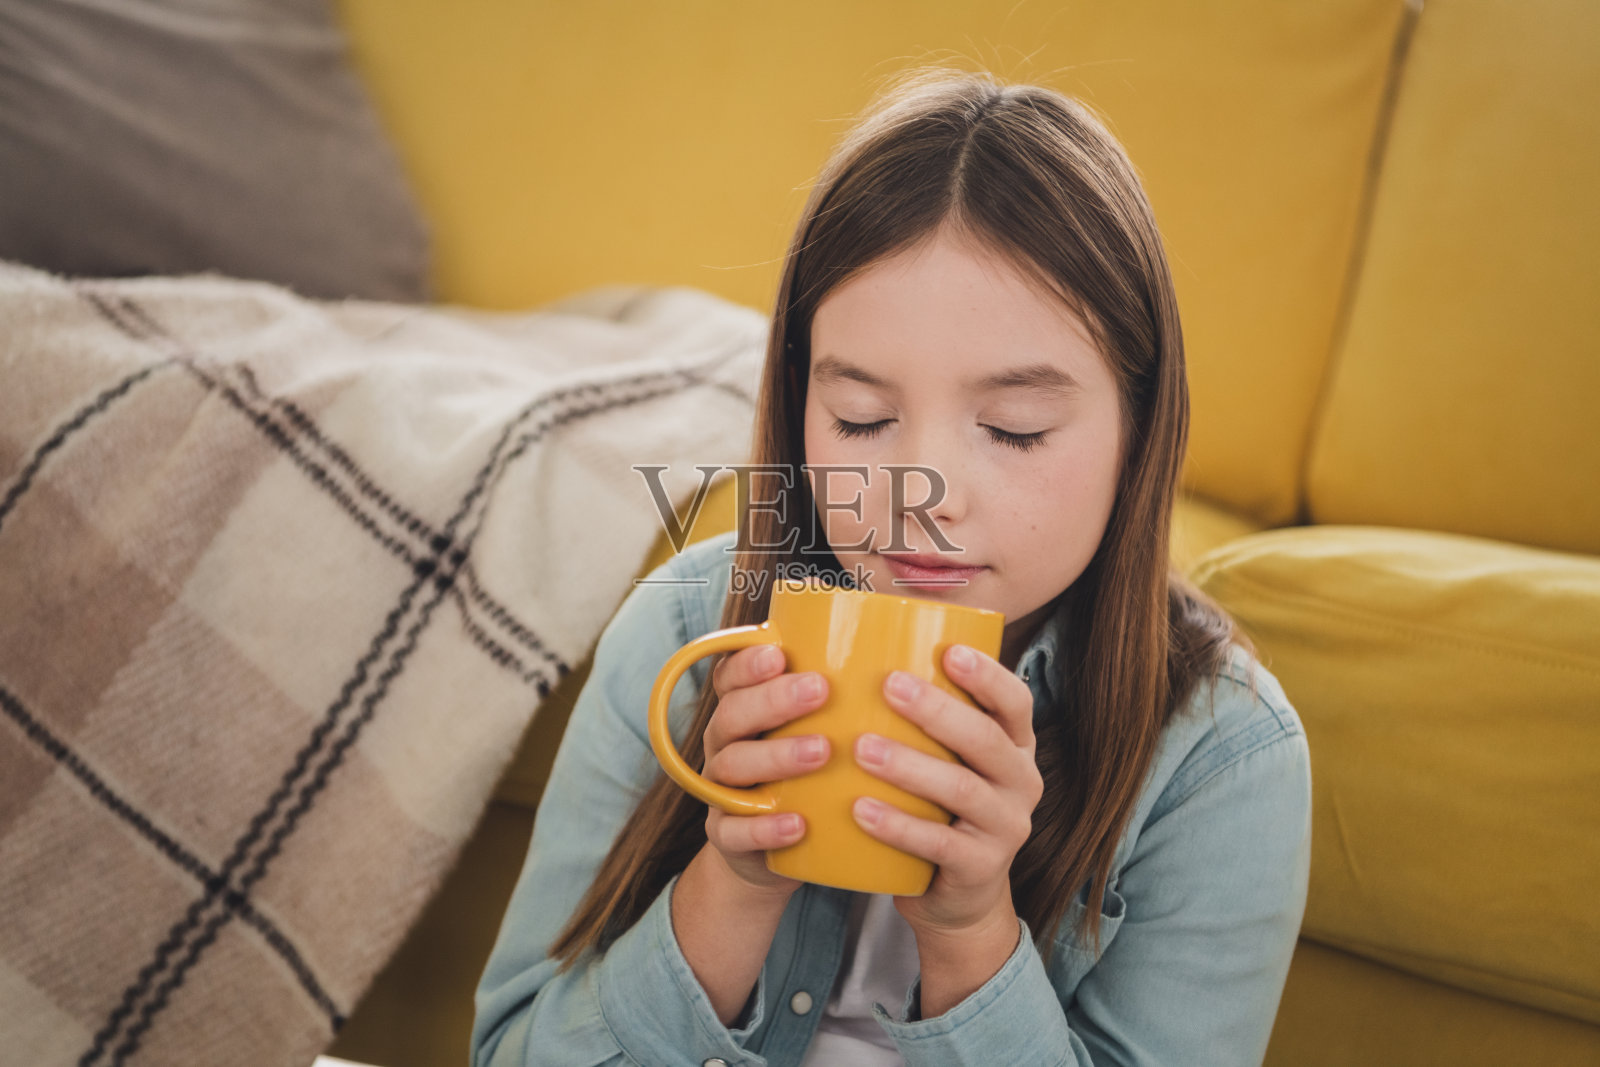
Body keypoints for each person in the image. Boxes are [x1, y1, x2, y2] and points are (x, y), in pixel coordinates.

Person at [472, 70, 1311, 1067]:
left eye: (1014, 427)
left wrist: (967, 933)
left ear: (1139, 428)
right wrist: (732, 885)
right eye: (861, 419)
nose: (925, 489)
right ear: (798, 403)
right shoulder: (686, 631)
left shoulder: (1220, 757)